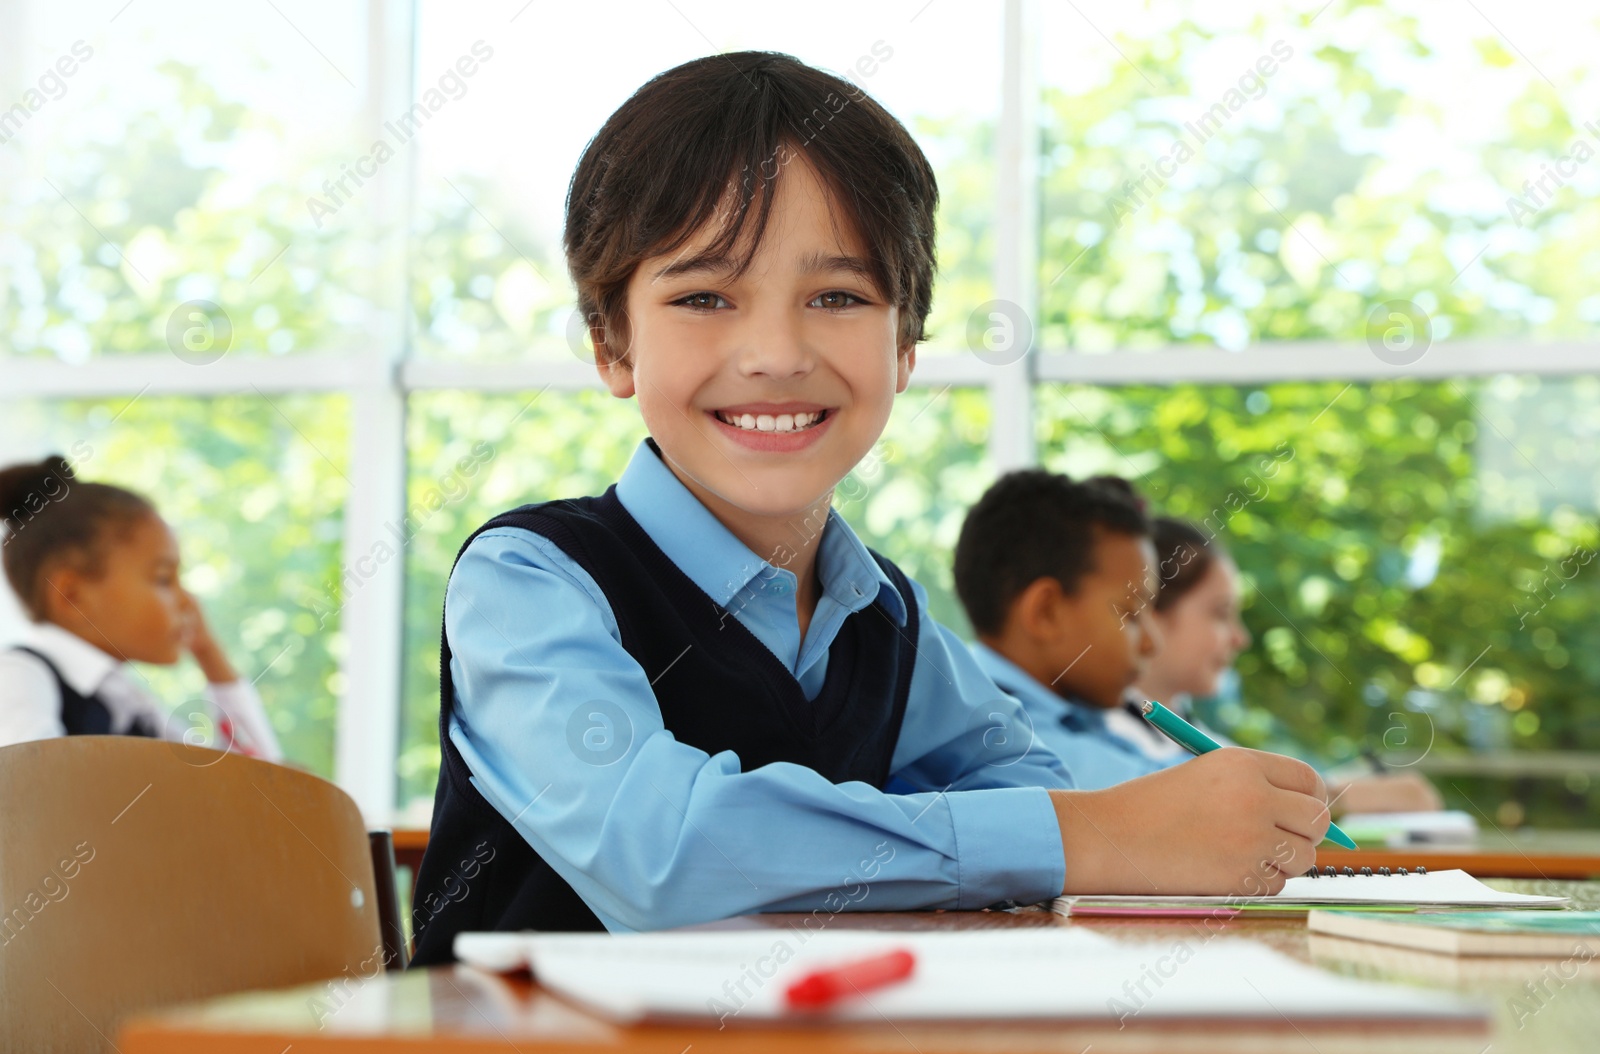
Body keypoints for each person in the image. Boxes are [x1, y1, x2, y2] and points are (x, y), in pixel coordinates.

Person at [408, 51, 1331, 964]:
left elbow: (1024, 783)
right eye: (703, 296)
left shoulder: (886, 611)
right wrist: (1081, 836)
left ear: (904, 348)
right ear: (612, 343)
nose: (774, 352)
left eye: (838, 296)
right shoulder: (528, 579)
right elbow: (668, 855)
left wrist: (1080, 831)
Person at [1140, 517, 1442, 814]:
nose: (1240, 639)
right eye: (1220, 613)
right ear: (1149, 614)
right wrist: (1337, 798)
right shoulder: (1100, 757)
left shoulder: (1194, 736)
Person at [0, 455, 281, 760]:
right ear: (72, 597)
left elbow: (256, 784)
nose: (189, 602)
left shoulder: (131, 705)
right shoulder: (20, 677)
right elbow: (28, 797)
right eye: (163, 579)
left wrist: (209, 653)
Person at [953, 470, 1192, 789]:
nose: (1152, 643)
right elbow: (1188, 800)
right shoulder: (1011, 744)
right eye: (1132, 614)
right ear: (1046, 612)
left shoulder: (1075, 719)